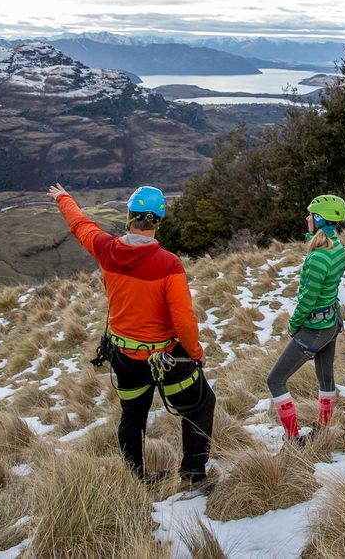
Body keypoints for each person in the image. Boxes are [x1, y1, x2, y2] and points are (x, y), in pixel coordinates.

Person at [48, 182, 215, 486]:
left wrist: (64, 198)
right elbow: (184, 321)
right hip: (168, 357)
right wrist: (196, 353)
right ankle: (193, 473)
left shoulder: (106, 249)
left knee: (132, 417)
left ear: (129, 216)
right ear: (158, 221)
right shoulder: (169, 264)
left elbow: (80, 225)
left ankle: (138, 478)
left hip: (125, 357)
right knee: (201, 404)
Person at [266, 195, 345, 442]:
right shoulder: (337, 249)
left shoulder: (318, 257)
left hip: (315, 327)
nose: (307, 217)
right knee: (325, 377)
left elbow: (307, 300)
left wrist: (293, 325)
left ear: (322, 218)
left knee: (276, 379)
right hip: (331, 322)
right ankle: (322, 430)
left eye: (311, 214)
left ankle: (292, 439)